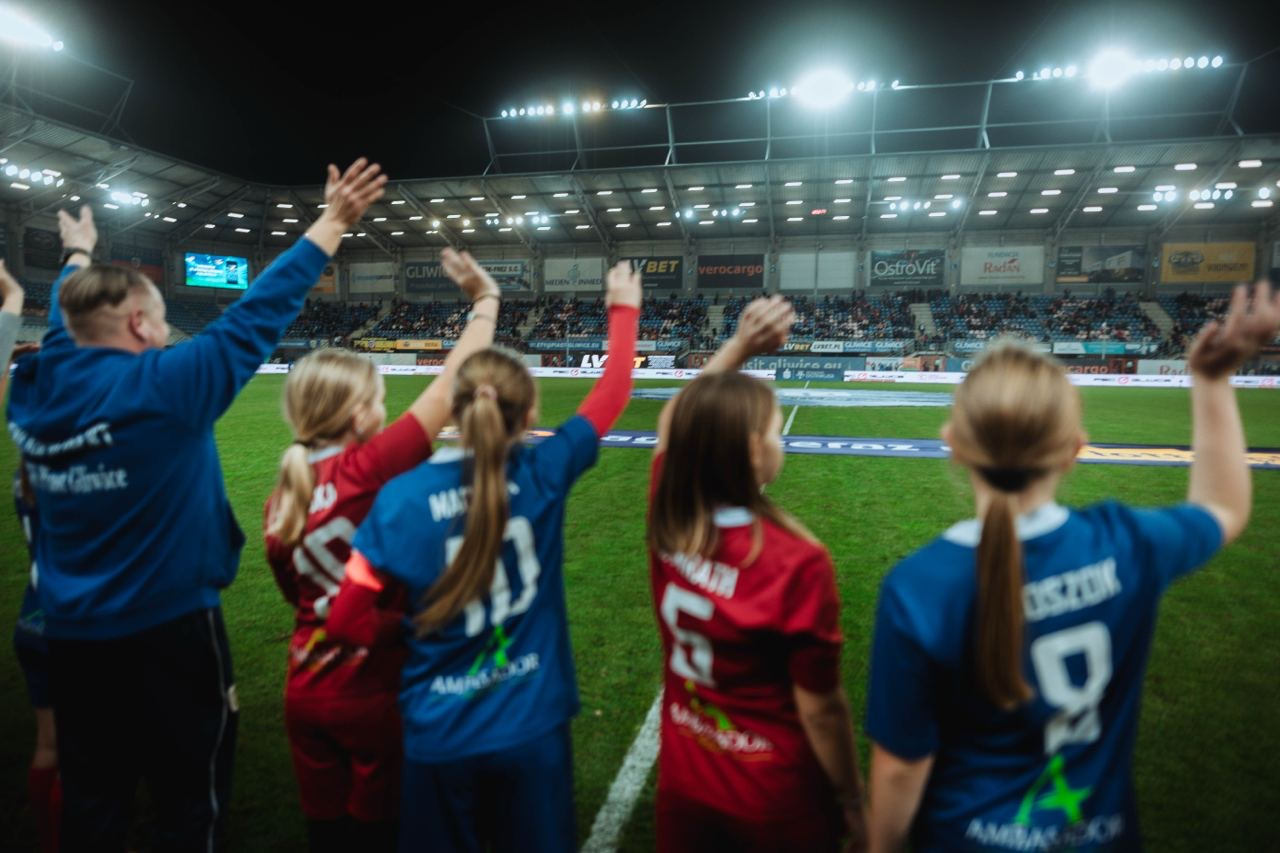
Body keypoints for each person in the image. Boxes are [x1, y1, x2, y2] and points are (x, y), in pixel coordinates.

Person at [5, 158, 387, 850]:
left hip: (71, 638)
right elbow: (257, 312)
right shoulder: (165, 388)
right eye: (158, 321)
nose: (166, 333)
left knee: (94, 806)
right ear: (138, 323)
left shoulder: (33, 393)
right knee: (191, 804)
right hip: (170, 635)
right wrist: (333, 221)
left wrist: (77, 256)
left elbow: (66, 331)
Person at [864, 282, 1280, 852]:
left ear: (953, 443)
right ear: (1075, 447)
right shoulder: (1126, 543)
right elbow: (1224, 508)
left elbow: (899, 768)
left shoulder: (919, 585)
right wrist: (1211, 380)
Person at [326, 262, 642, 853]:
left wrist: (408, 628)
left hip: (440, 729)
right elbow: (614, 390)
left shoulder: (399, 500)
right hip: (533, 722)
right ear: (530, 415)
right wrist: (623, 307)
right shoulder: (544, 470)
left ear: (454, 409)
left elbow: (345, 622)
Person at [264, 250, 503, 851]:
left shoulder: (281, 497)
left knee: (325, 832)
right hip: (371, 688)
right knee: (380, 830)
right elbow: (452, 382)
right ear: (355, 415)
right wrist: (485, 302)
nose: (385, 409)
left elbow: (295, 593)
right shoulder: (369, 467)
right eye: (377, 400)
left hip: (305, 686)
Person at [647, 295, 868, 852]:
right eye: (774, 431)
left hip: (686, 779)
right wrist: (851, 797)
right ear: (752, 451)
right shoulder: (796, 560)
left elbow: (673, 425)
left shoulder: (669, 515)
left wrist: (740, 346)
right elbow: (821, 708)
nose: (780, 440)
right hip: (773, 796)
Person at [0, 265, 58, 853]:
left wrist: (12, 304)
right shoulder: (91, 468)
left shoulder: (28, 471)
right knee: (96, 750)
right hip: (86, 621)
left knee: (49, 746)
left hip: (34, 616)